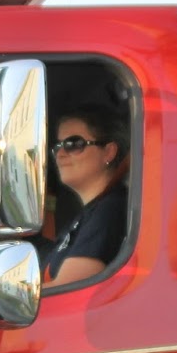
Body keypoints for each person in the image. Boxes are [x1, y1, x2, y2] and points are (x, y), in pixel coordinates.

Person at [43, 105, 129, 286]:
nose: (60, 153)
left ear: (109, 152)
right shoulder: (84, 217)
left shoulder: (110, 209)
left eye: (73, 144)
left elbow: (66, 291)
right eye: (58, 145)